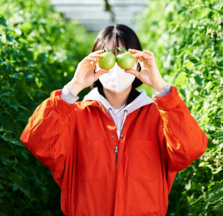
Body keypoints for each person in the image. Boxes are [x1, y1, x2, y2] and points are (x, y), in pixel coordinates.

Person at [20, 24, 209, 216]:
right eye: (107, 56)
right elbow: (35, 140)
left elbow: (190, 149)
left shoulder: (159, 116)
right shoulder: (73, 116)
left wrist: (160, 86)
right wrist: (73, 88)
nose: (117, 66)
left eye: (123, 56)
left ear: (136, 62)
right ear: (94, 63)